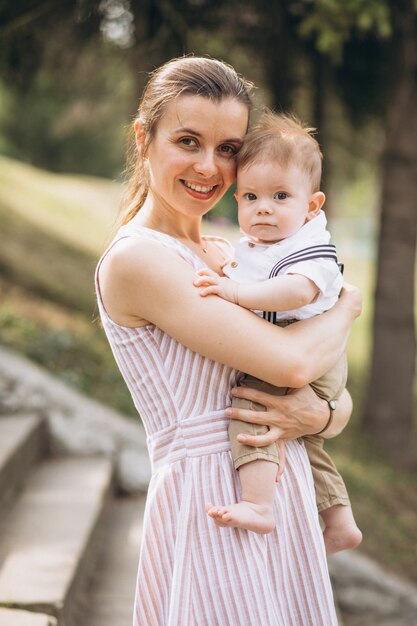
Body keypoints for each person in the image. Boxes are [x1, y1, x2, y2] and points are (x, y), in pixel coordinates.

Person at [95, 56, 361, 626]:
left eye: (228, 149)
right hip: (213, 503)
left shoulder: (230, 256)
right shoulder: (140, 259)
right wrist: (350, 307)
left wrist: (323, 414)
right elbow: (291, 363)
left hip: (277, 490)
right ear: (144, 139)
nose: (209, 167)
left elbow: (325, 396)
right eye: (188, 141)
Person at [194, 111, 363, 554]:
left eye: (280, 196)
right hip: (311, 356)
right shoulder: (267, 244)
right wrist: (226, 262)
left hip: (310, 351)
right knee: (303, 441)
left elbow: (292, 292)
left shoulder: (312, 250)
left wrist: (234, 290)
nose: (262, 207)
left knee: (252, 407)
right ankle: (340, 518)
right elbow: (250, 266)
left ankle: (259, 504)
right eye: (250, 196)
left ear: (312, 205)